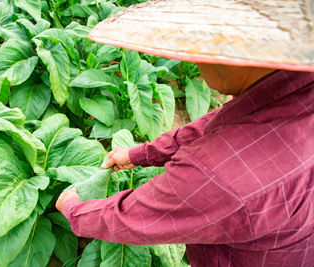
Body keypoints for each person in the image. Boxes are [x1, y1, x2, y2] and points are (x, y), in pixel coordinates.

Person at [56, 0, 314, 266]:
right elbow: (219, 123)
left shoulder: (218, 173)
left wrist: (74, 209)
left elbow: (138, 217)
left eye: (196, 45)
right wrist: (141, 154)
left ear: (234, 51)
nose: (188, 56)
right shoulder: (296, 89)